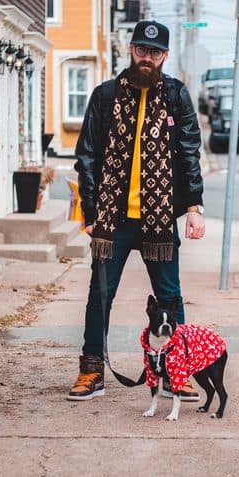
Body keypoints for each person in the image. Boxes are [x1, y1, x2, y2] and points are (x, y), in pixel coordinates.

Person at [68, 20, 206, 402]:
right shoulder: (106, 95)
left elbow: (189, 153)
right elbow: (88, 156)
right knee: (100, 295)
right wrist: (91, 210)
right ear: (131, 51)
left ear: (164, 56)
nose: (147, 58)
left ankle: (176, 374)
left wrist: (194, 206)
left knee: (171, 297)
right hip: (113, 218)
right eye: (142, 51)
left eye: (155, 53)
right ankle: (91, 370)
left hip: (159, 219)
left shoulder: (176, 96)